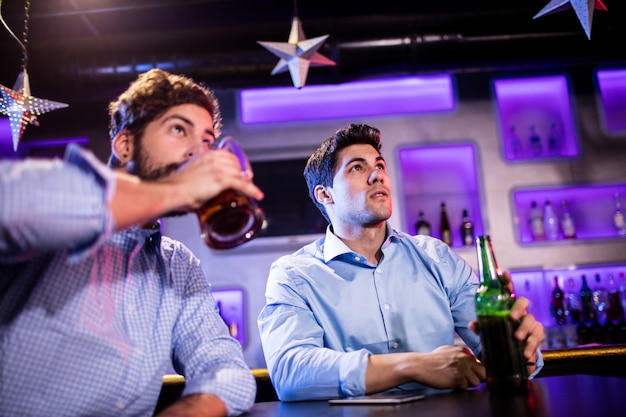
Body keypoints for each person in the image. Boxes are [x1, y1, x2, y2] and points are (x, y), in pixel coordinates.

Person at [0, 69, 264, 417]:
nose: (198, 153)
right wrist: (177, 189)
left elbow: (226, 368)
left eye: (206, 141)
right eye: (178, 129)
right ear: (125, 146)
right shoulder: (58, 211)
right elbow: (13, 201)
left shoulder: (177, 265)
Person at [257, 123, 544, 401]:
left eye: (380, 165)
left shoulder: (437, 257)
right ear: (325, 194)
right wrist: (414, 366)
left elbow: (503, 355)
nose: (377, 175)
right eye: (357, 167)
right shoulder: (293, 275)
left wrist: (518, 347)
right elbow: (290, 374)